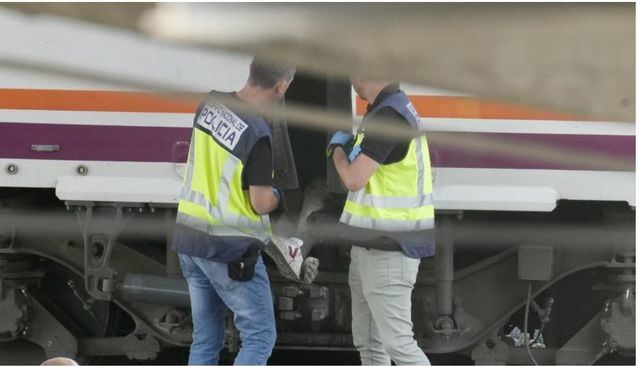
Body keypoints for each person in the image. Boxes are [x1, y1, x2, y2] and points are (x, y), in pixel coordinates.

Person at [172, 58, 301, 365]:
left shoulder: (210, 103)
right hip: (228, 250)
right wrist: (279, 197)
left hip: (189, 240)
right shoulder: (257, 133)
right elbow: (259, 202)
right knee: (259, 338)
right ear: (281, 87)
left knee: (205, 339)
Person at [327, 78, 435, 365]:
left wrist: (336, 151)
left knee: (399, 346)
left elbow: (353, 178)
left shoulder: (389, 116)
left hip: (389, 249)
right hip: (371, 245)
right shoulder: (388, 108)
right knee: (370, 345)